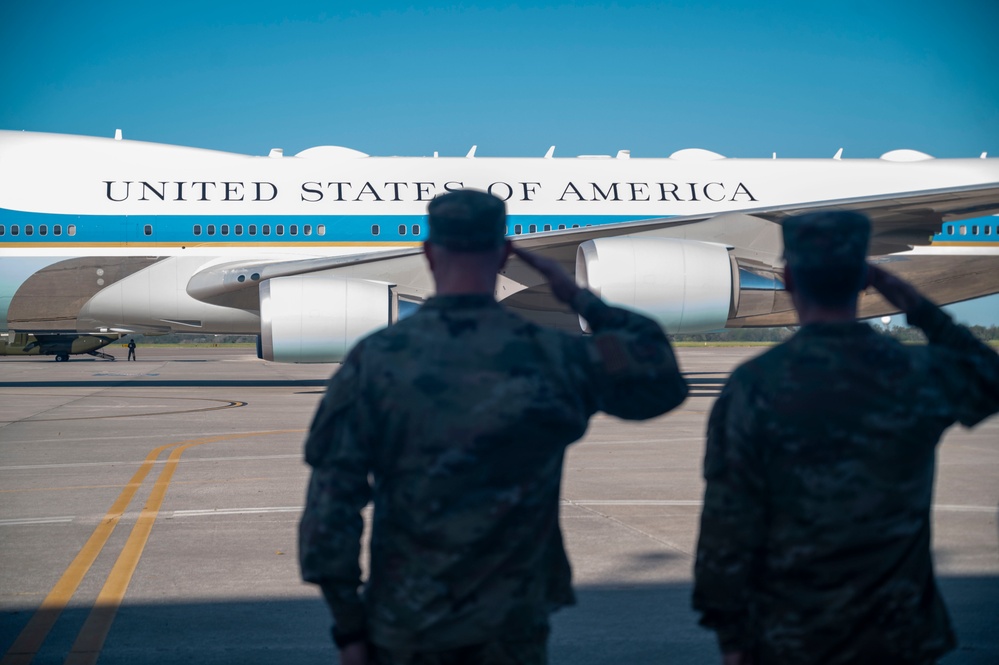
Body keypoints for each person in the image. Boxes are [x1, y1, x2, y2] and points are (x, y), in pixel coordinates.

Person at [299, 189, 689, 665]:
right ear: (505, 253)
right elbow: (660, 385)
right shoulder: (554, 356)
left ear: (427, 253)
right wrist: (580, 297)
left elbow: (330, 506)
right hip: (513, 622)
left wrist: (349, 628)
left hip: (406, 619)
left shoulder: (375, 359)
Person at [692, 210, 999, 665]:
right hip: (897, 630)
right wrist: (918, 307)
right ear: (863, 279)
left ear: (789, 279)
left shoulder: (755, 385)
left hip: (789, 631)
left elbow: (727, 522)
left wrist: (731, 633)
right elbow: (989, 380)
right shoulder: (913, 374)